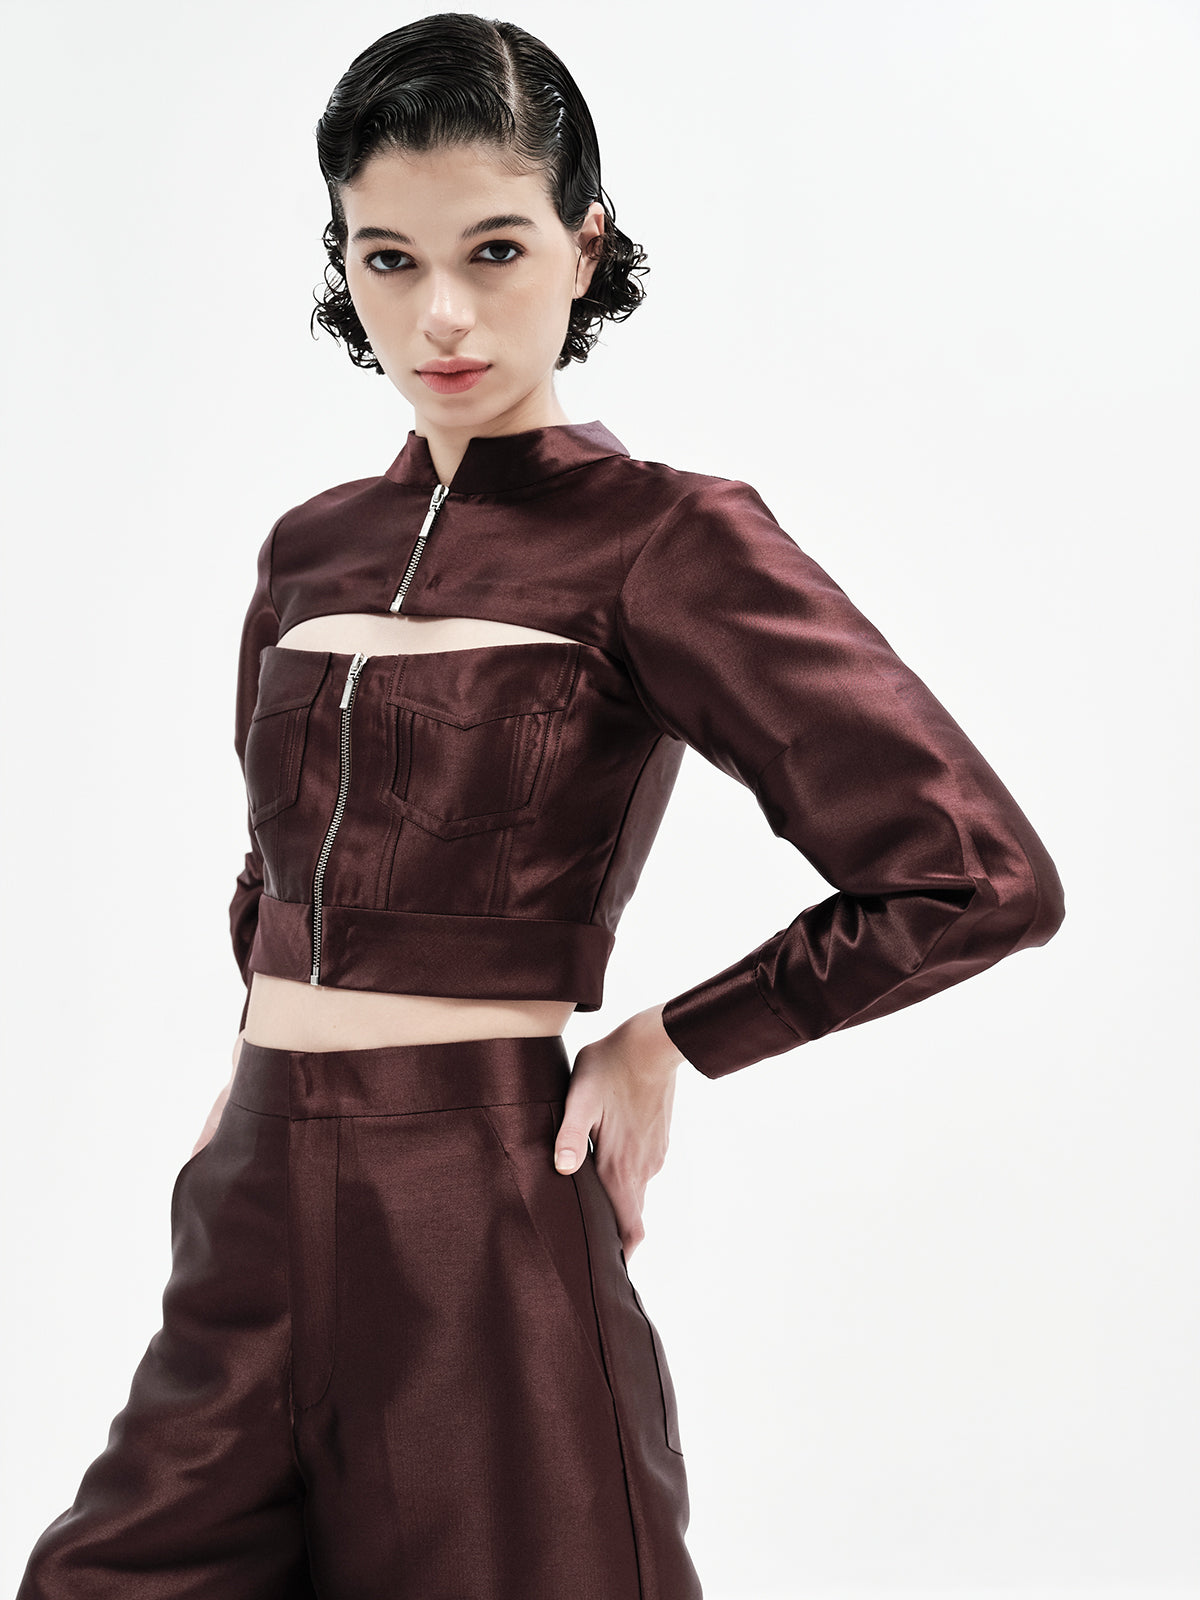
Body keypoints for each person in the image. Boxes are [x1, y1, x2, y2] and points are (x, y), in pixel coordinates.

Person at [15, 12, 1065, 1599]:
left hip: (477, 1208)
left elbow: (973, 874)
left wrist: (667, 1042)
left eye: (493, 250)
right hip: (248, 1202)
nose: (438, 313)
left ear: (585, 245)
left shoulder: (665, 541)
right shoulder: (309, 549)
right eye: (387, 259)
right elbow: (272, 869)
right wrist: (249, 1080)